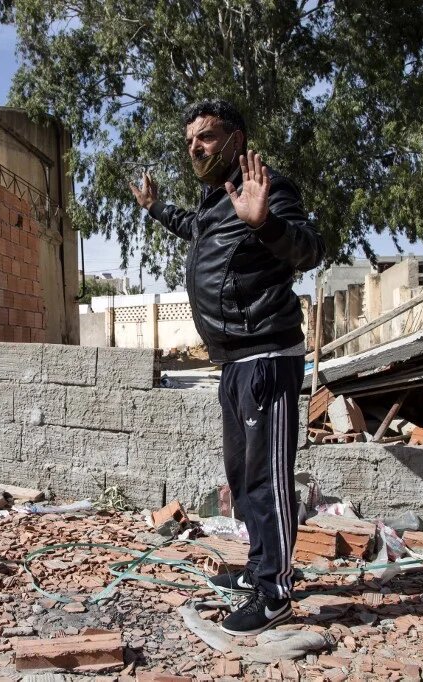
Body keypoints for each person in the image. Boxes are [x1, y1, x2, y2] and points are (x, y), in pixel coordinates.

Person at [130, 100, 324, 636]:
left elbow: (309, 249)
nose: (196, 147)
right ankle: (264, 570)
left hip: (267, 357)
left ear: (236, 139)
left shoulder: (267, 188)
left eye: (207, 137)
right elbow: (194, 227)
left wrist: (265, 225)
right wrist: (155, 208)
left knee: (266, 480)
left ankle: (276, 595)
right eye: (191, 140)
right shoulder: (218, 200)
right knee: (242, 480)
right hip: (235, 363)